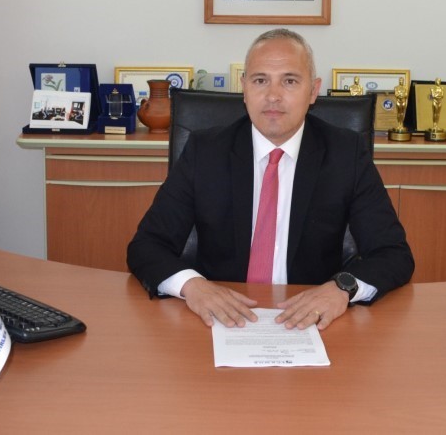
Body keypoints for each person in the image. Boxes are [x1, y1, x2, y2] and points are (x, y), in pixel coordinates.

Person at [127, 29, 414, 331]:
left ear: (313, 91)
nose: (273, 96)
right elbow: (147, 245)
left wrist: (342, 288)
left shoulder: (345, 153)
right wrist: (193, 286)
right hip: (220, 320)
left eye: (289, 81)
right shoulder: (205, 151)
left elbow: (393, 254)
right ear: (244, 89)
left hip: (312, 323)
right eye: (260, 80)